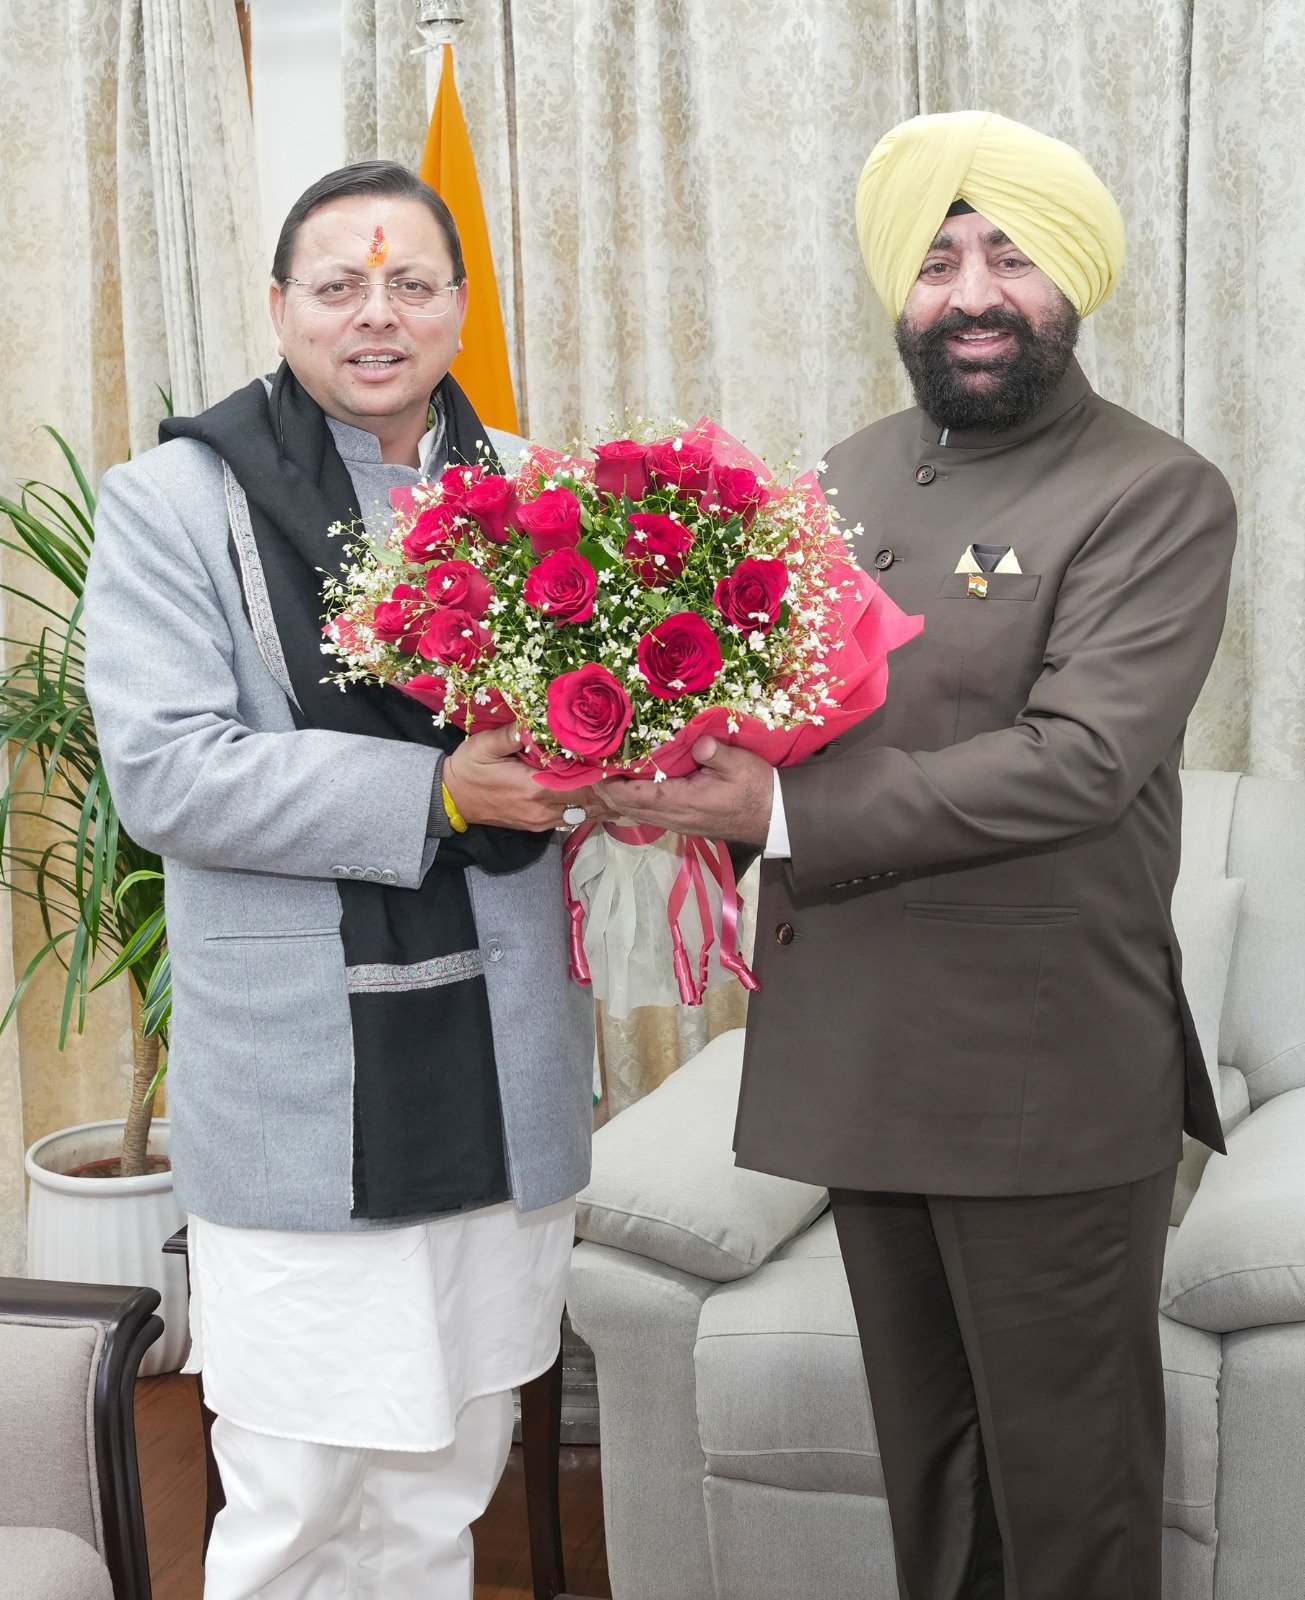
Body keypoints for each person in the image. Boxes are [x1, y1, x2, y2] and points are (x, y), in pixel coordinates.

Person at [602, 111, 1236, 1600]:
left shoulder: (1153, 491)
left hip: (1039, 1075)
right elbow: (778, 705)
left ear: (1071, 278)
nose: (971, 294)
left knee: (1070, 1505)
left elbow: (1078, 761)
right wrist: (650, 752)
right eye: (937, 261)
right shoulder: (845, 475)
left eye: (1009, 256)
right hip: (861, 1052)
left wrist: (770, 815)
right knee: (934, 1481)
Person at [84, 161, 595, 1600]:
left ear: (459, 308)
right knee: (296, 1492)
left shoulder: (542, 495)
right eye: (339, 285)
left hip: (500, 1058)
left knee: (449, 1479)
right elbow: (166, 774)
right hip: (304, 1077)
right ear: (279, 306)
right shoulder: (172, 502)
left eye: (411, 284)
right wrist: (439, 792)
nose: (378, 315)